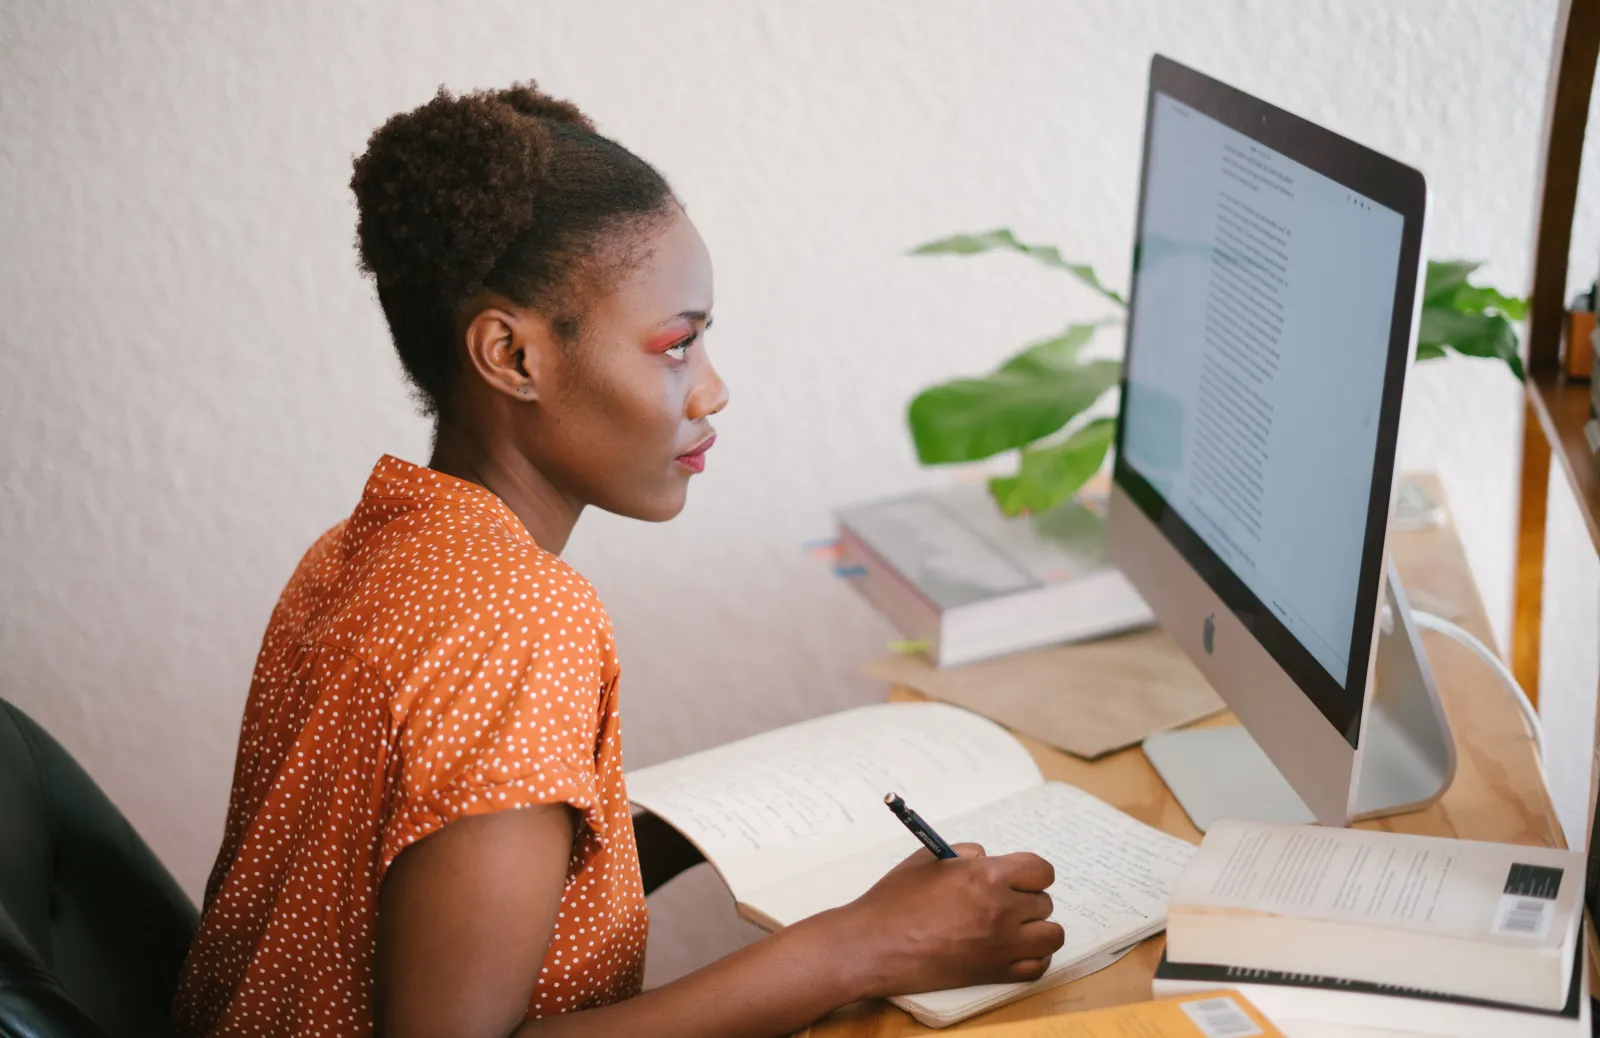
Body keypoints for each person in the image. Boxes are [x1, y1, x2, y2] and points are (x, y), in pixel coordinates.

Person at [173, 82, 1064, 1038]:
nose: (713, 391)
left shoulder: (363, 547)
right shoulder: (521, 619)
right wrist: (862, 945)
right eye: (676, 346)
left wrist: (658, 840)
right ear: (512, 357)